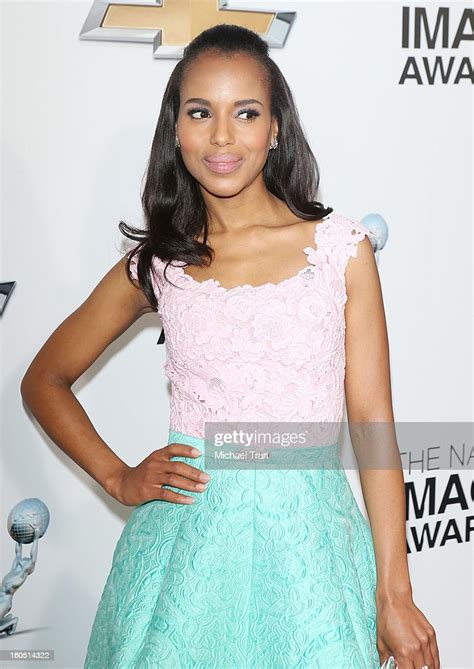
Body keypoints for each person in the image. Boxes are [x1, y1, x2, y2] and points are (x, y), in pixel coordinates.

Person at [20, 23, 440, 669]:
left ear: (275, 127)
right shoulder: (160, 263)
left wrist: (396, 588)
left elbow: (373, 422)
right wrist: (118, 476)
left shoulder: (341, 251)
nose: (222, 136)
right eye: (200, 113)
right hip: (181, 565)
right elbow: (43, 378)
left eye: (245, 112)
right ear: (177, 130)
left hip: (312, 565)